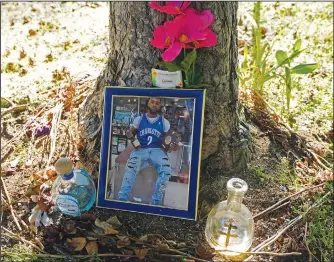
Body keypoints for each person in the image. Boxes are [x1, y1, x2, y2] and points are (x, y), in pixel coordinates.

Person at [117, 97, 178, 205]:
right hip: (141, 149)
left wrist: (172, 144)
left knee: (166, 171)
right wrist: (130, 134)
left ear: (160, 106)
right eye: (152, 102)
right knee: (130, 167)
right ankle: (122, 199)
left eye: (157, 103)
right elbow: (131, 133)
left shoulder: (164, 122)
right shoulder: (139, 119)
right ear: (148, 103)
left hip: (157, 150)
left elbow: (169, 139)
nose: (155, 105)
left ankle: (155, 201)